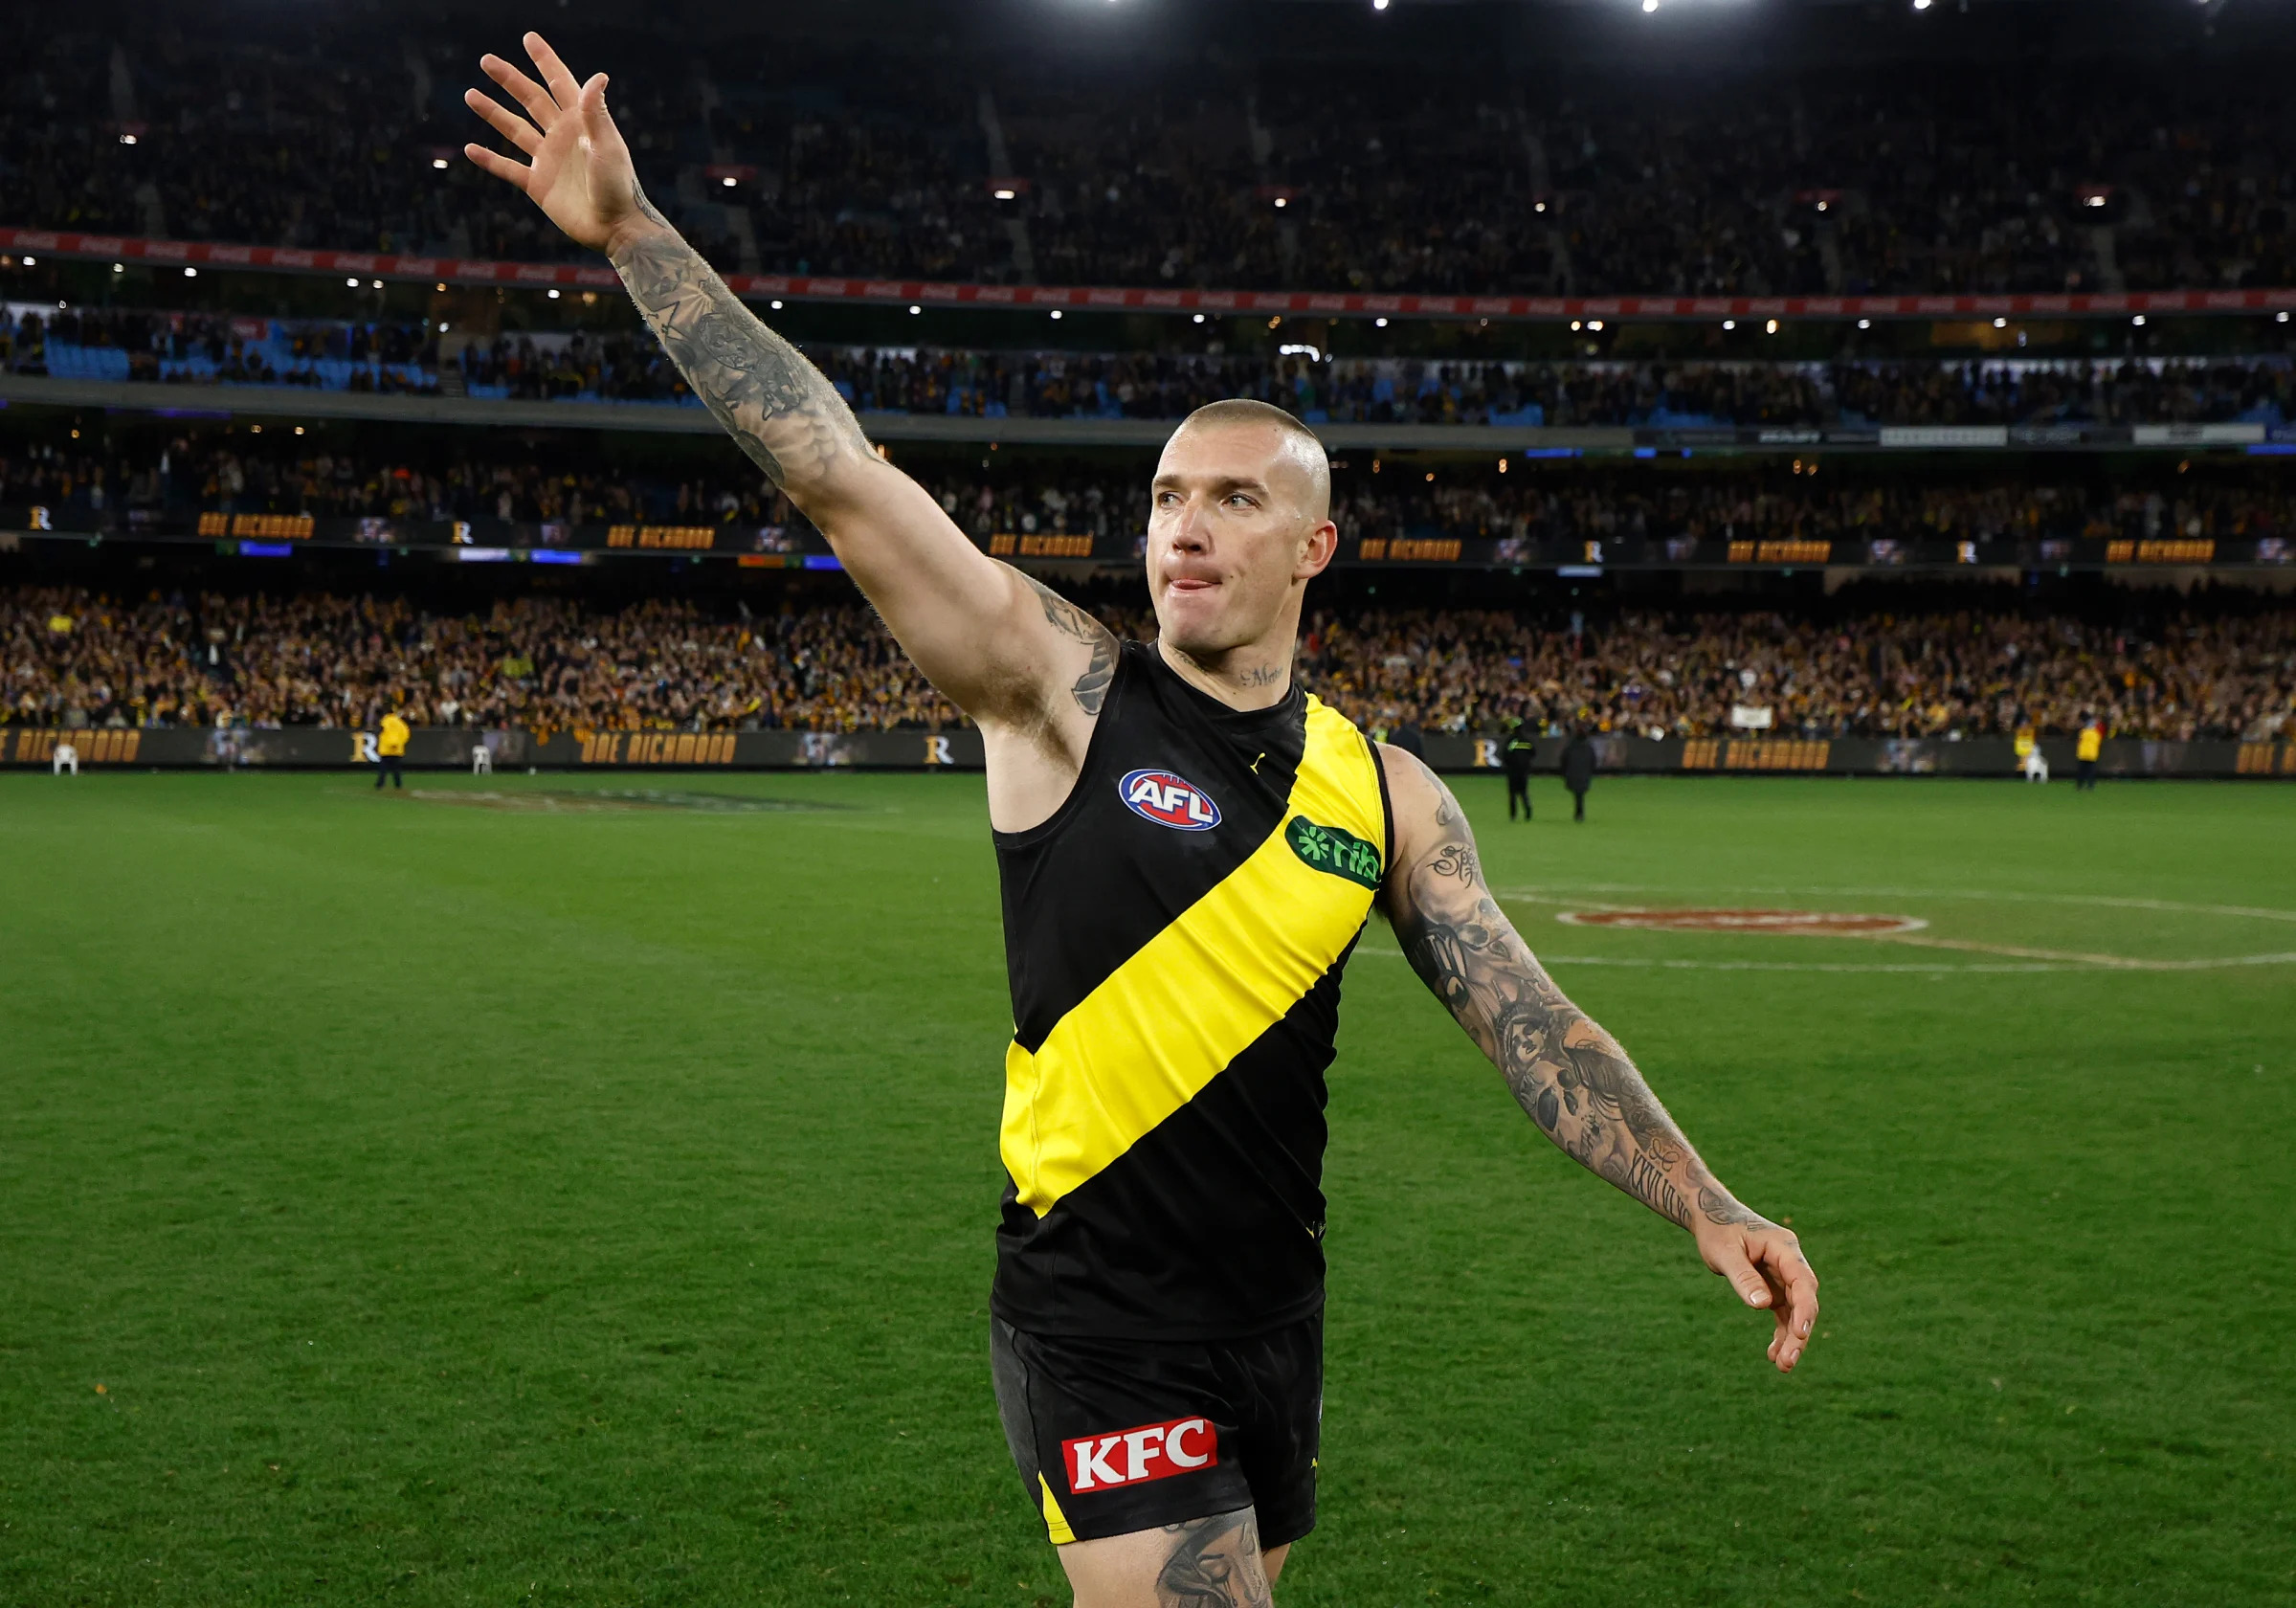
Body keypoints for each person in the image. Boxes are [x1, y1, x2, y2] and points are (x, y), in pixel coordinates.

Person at [464, 38, 1818, 1605]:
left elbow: (1527, 1024)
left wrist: (1701, 1197)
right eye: (1169, 492)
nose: (1184, 520)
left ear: (1313, 544)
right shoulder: (1057, 690)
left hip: (1273, 1317)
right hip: (1099, 1319)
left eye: (1233, 498)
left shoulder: (1382, 791)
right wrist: (636, 234)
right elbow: (836, 471)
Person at [1502, 719, 1535, 821]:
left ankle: (1513, 815)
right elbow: (1533, 753)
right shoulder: (1527, 741)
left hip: (1512, 772)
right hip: (1524, 772)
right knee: (1524, 792)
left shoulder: (1511, 741)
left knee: (1512, 795)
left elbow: (1505, 755)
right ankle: (1528, 811)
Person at [1562, 726, 1595, 822]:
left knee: (1578, 794)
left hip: (1572, 773)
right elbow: (1593, 762)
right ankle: (1579, 813)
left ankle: (1579, 813)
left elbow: (1564, 760)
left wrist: (1564, 773)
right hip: (1584, 774)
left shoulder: (1570, 747)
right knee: (1579, 794)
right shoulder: (1588, 748)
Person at [376, 707, 410, 791]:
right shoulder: (400, 722)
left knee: (383, 769)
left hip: (386, 749)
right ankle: (398, 784)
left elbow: (383, 731)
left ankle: (380, 784)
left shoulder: (385, 721)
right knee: (396, 770)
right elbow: (406, 734)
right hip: (397, 750)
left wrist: (390, 743)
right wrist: (398, 743)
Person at [2075, 712, 2103, 791]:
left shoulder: (2083, 732)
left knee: (2081, 772)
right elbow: (2098, 744)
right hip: (2091, 756)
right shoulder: (2096, 734)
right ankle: (2090, 786)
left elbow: (2079, 742)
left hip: (2083, 755)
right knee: (2091, 773)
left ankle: (2079, 786)